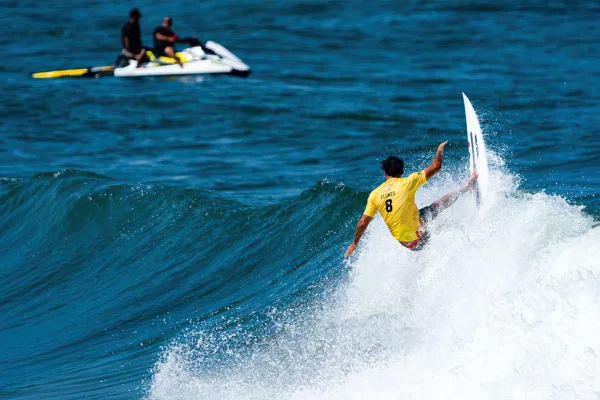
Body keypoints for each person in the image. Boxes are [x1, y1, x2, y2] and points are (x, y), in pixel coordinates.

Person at [345, 141, 478, 256]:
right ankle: (468, 187)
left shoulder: (375, 194)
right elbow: (436, 166)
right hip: (419, 238)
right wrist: (439, 150)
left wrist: (354, 243)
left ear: (385, 173)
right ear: (402, 172)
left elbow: (363, 222)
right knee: (438, 210)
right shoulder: (407, 183)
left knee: (427, 213)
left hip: (407, 243)